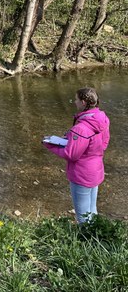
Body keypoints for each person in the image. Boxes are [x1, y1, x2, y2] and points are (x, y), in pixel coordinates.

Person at [43, 87, 110, 224]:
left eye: (76, 99)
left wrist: (51, 145)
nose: (74, 102)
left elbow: (71, 154)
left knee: (82, 216)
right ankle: (97, 237)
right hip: (96, 170)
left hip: (81, 175)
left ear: (84, 102)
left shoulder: (80, 128)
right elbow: (104, 143)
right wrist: (73, 140)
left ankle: (86, 241)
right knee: (92, 210)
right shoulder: (102, 119)